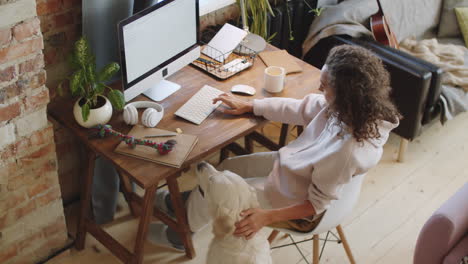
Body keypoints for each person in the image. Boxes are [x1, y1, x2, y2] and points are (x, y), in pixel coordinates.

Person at [148, 44, 401, 250]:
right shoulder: (343, 107)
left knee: (218, 187)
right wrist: (252, 106)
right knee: (225, 168)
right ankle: (182, 204)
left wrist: (265, 217)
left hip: (295, 200)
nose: (319, 89)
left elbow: (316, 205)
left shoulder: (347, 151)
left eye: (325, 87)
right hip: (294, 170)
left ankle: (180, 235)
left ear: (347, 94)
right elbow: (299, 109)